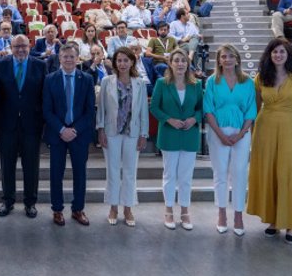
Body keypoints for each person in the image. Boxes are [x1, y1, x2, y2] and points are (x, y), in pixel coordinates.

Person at [248, 38, 292, 244]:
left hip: (291, 129)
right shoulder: (261, 77)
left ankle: (291, 223)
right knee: (270, 174)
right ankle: (273, 221)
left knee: (288, 174)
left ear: (288, 54)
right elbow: (255, 108)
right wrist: (250, 134)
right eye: (274, 52)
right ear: (269, 55)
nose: (278, 55)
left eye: (282, 52)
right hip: (264, 129)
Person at [203, 45, 256, 236]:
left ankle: (239, 215)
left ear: (237, 59)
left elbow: (251, 110)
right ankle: (222, 214)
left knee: (240, 173)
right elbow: (208, 109)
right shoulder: (212, 81)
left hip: (241, 132)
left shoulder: (247, 82)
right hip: (218, 132)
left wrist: (241, 134)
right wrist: (221, 134)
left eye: (231, 56)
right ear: (218, 60)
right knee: (220, 174)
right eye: (223, 57)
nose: (227, 60)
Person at [0, 34, 47, 218]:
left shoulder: (40, 65)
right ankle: (7, 201)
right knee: (7, 165)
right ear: (11, 47)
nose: (20, 50)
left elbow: (44, 96)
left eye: (23, 46)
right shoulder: (0, 65)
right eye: (16, 47)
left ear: (29, 46)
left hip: (31, 125)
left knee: (31, 166)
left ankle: (30, 203)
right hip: (6, 125)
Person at [150, 48, 203, 231]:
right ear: (170, 64)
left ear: (187, 64)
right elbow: (154, 108)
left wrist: (194, 119)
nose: (180, 64)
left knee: (186, 177)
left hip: (189, 135)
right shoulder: (161, 83)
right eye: (176, 60)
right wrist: (168, 119)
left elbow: (201, 109)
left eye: (183, 60)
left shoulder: (196, 85)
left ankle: (185, 212)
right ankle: (169, 210)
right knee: (170, 175)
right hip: (169, 135)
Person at [43, 44, 95, 226]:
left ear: (77, 58)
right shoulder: (50, 79)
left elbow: (90, 111)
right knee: (56, 173)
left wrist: (74, 130)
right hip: (57, 134)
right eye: (65, 56)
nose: (68, 60)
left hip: (79, 134)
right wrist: (61, 129)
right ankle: (57, 210)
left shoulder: (87, 79)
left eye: (72, 56)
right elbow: (47, 110)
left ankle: (78, 209)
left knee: (80, 174)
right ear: (59, 58)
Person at [96, 47, 149, 226]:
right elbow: (101, 109)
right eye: (119, 60)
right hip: (111, 132)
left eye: (126, 60)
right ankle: (113, 207)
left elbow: (143, 111)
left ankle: (128, 208)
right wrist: (100, 129)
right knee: (112, 171)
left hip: (132, 133)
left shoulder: (140, 83)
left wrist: (144, 133)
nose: (122, 64)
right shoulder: (106, 81)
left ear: (132, 62)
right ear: (114, 62)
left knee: (129, 172)